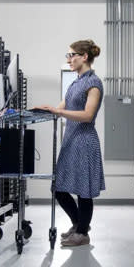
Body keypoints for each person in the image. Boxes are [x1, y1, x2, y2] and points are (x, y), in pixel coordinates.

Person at [35, 39, 105, 247]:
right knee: (58, 188)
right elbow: (62, 106)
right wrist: (46, 111)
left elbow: (87, 115)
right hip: (71, 140)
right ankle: (79, 225)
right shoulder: (75, 83)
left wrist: (59, 111)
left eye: (71, 55)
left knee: (83, 189)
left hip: (84, 141)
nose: (69, 59)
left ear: (84, 57)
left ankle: (82, 233)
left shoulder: (94, 83)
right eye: (68, 55)